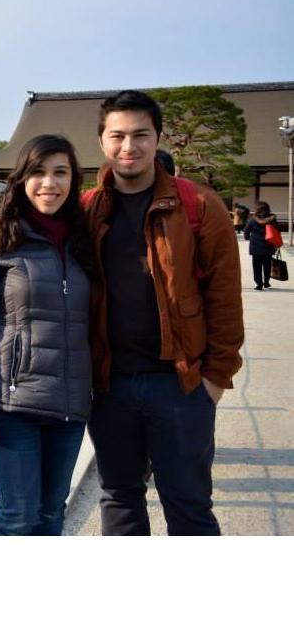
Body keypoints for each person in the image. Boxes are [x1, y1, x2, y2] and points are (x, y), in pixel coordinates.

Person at [82, 90, 243, 536]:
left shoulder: (199, 206)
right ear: (101, 141)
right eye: (117, 136)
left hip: (180, 384)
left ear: (158, 138)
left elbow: (226, 301)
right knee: (119, 499)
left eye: (140, 135)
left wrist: (213, 380)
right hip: (110, 386)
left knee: (189, 506)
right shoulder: (88, 209)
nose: (128, 147)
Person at [0, 134, 93, 536]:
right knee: (17, 514)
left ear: (73, 180)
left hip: (70, 403)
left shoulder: (84, 241)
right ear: (21, 179)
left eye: (60, 173)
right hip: (12, 403)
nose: (49, 183)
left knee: (52, 512)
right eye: (38, 172)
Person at [243, 201, 281, 290]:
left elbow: (246, 231)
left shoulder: (253, 220)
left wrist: (248, 238)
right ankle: (266, 282)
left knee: (256, 267)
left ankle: (259, 284)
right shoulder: (272, 219)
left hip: (255, 247)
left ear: (257, 210)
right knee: (267, 265)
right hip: (268, 246)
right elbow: (277, 231)